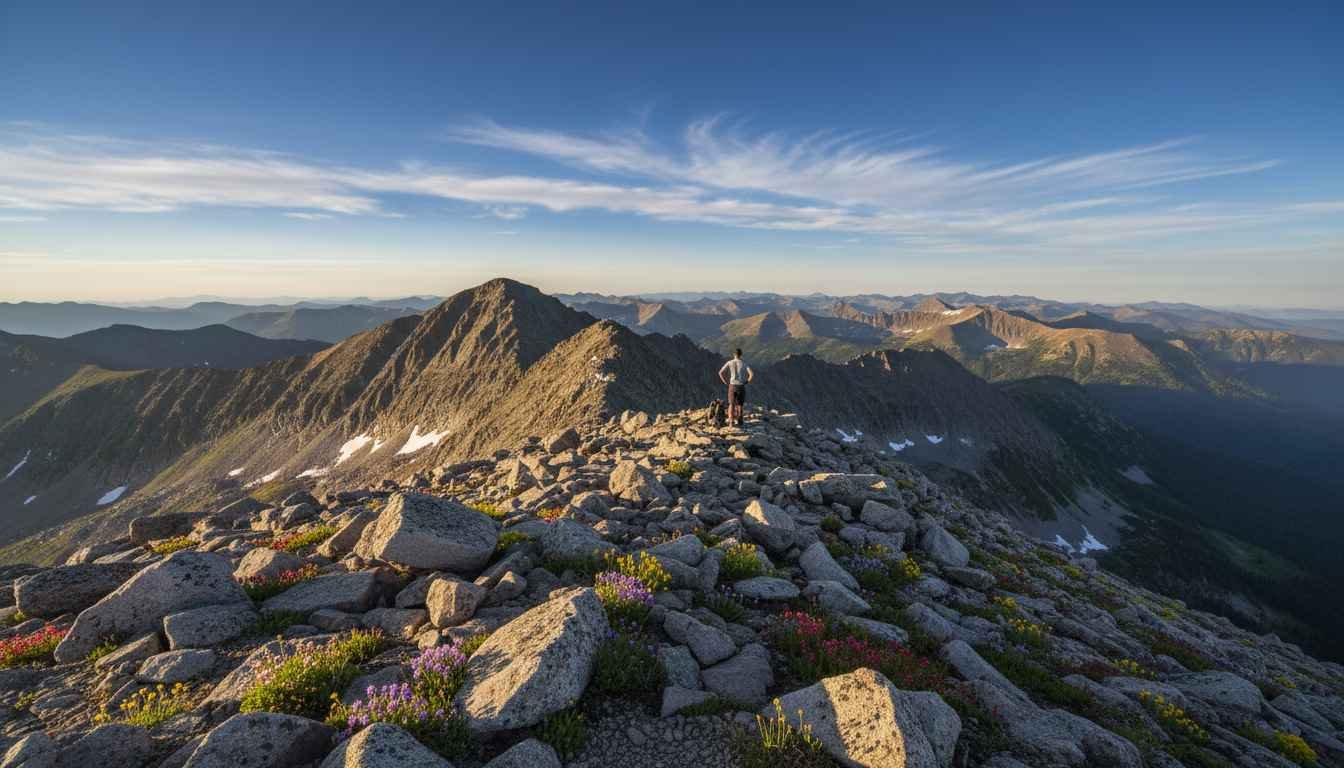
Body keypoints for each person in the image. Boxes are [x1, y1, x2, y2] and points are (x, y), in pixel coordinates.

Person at [718, 348, 753, 427]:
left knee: (731, 404)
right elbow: (751, 374)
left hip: (732, 385)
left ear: (734, 354)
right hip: (741, 385)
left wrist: (725, 382)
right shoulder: (744, 363)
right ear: (741, 355)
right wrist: (746, 382)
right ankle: (740, 422)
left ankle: (731, 422)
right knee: (740, 405)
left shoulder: (729, 362)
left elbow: (720, 372)